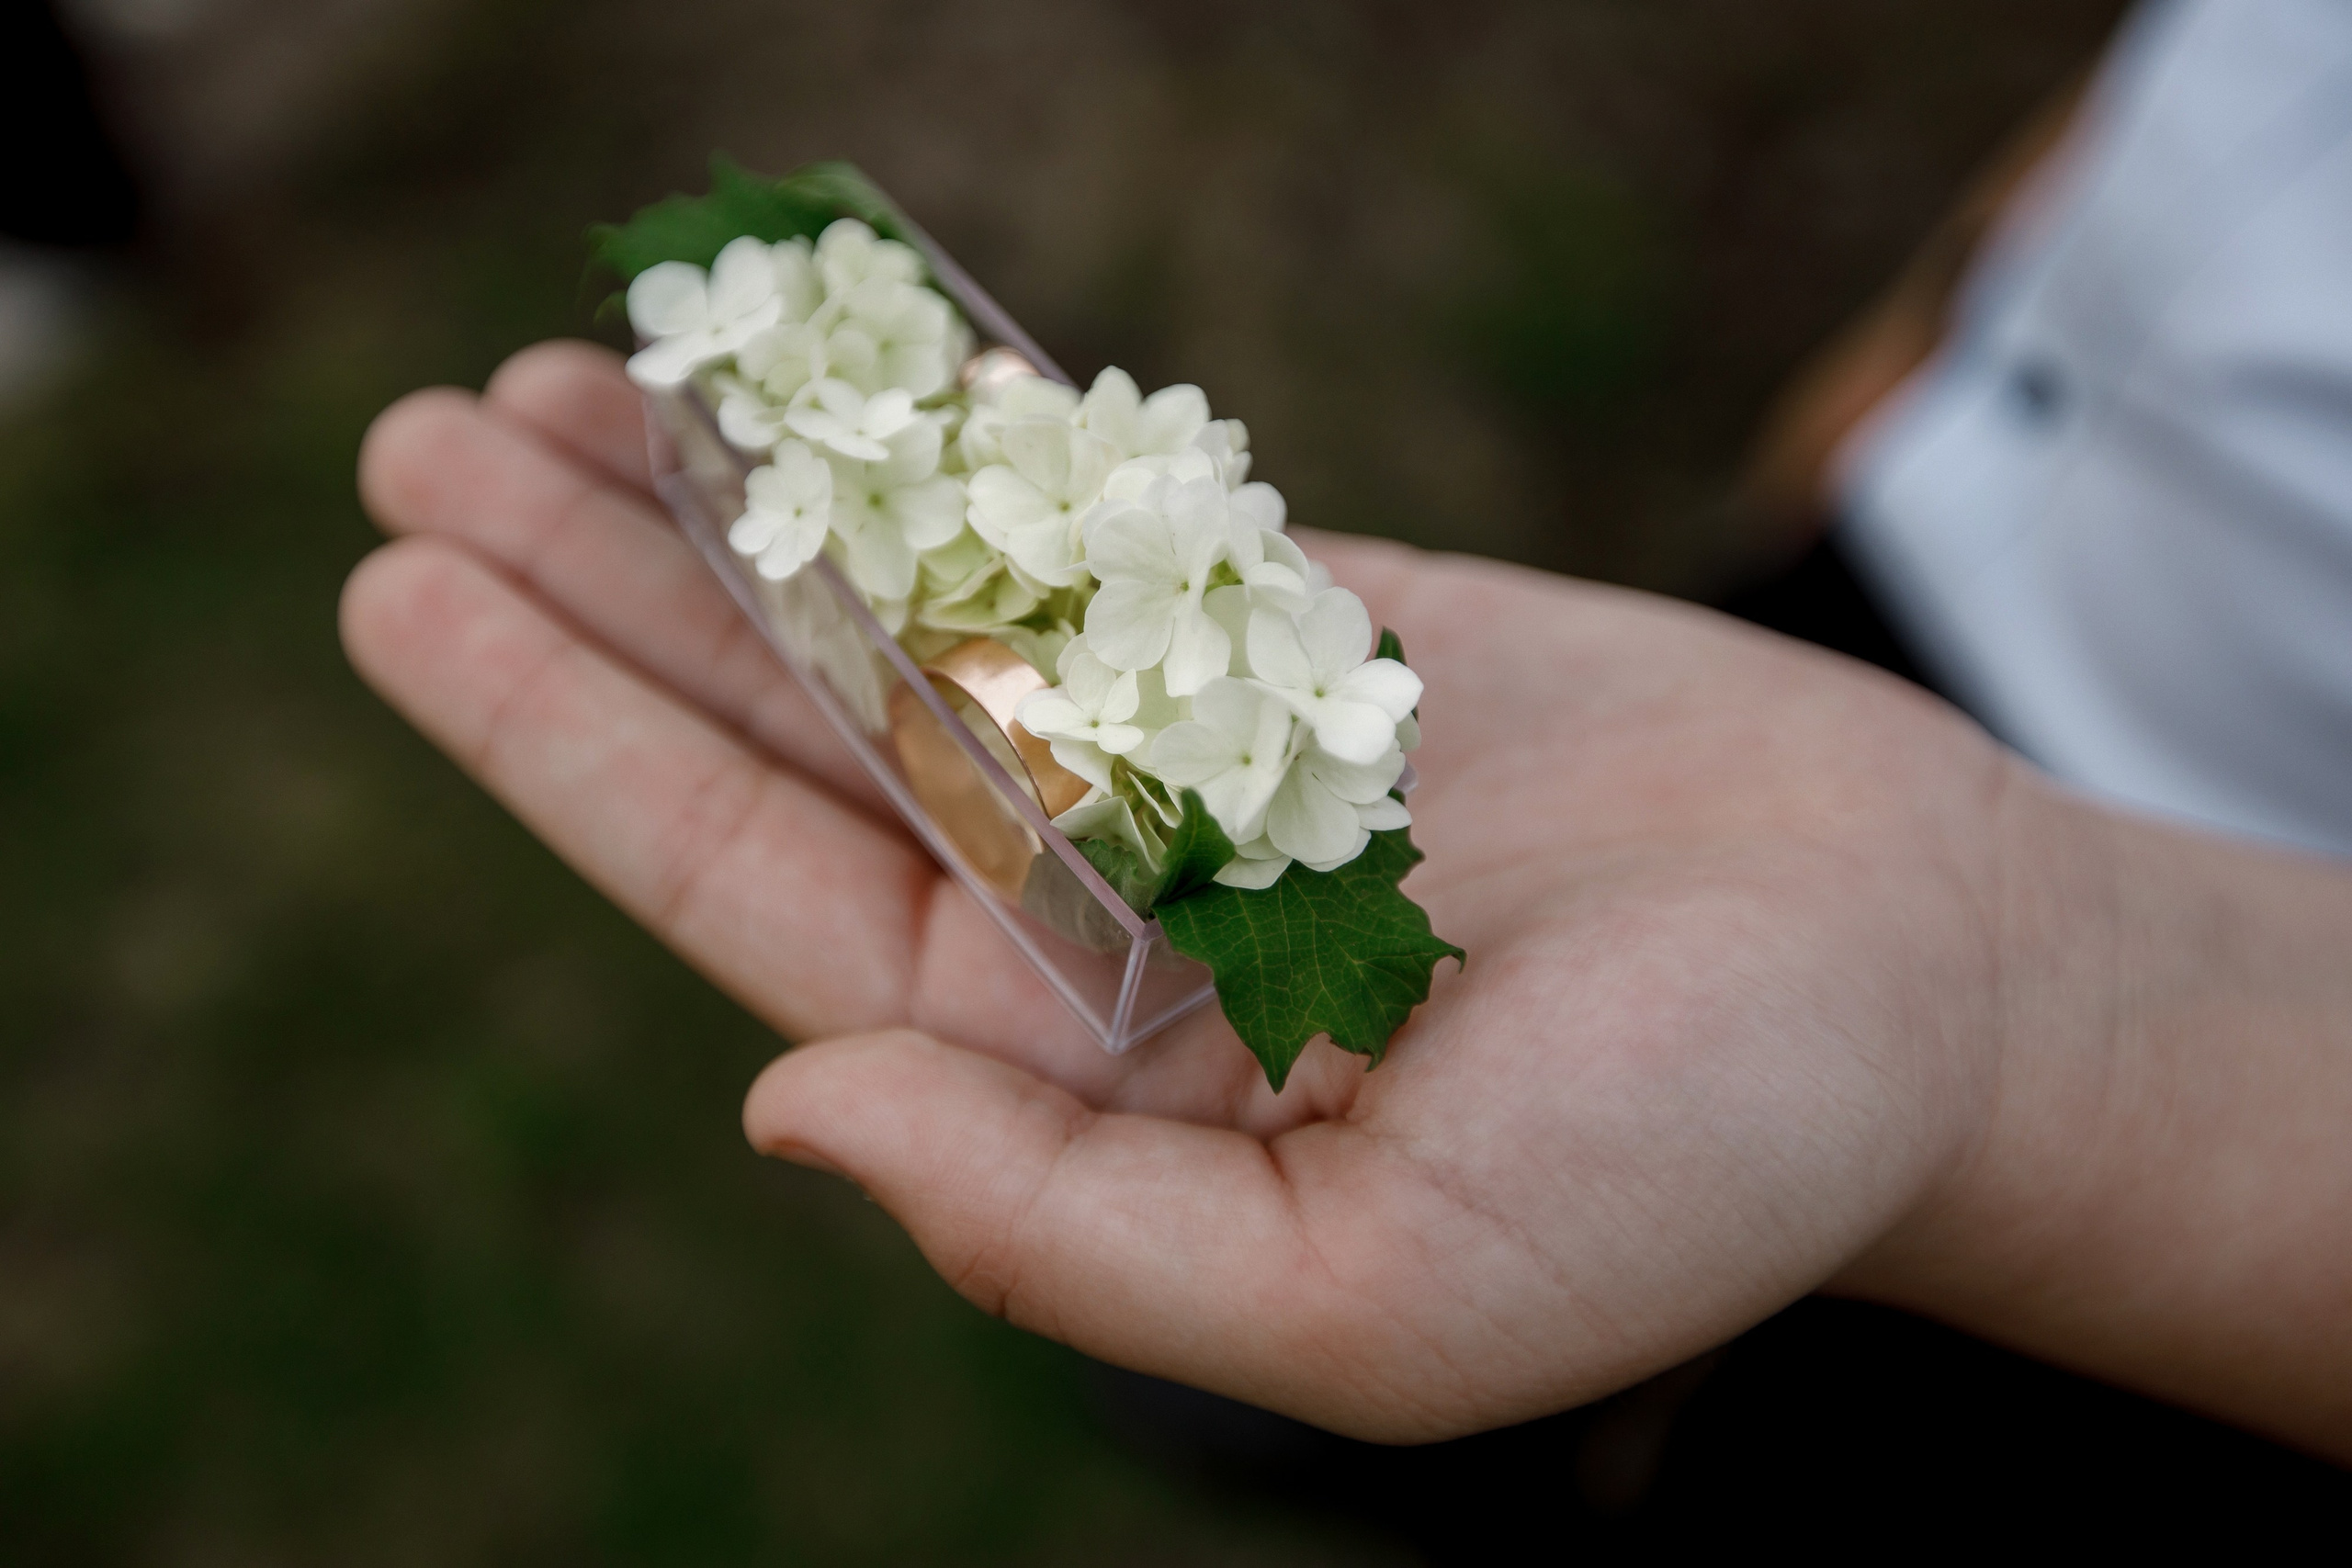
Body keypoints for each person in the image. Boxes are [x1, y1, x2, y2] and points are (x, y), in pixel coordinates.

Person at [342, 0, 2352, 1531]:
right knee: (1312, 1362)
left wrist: (2037, 1029)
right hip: (1927, 511)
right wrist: (1929, 341)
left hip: (2231, 960)